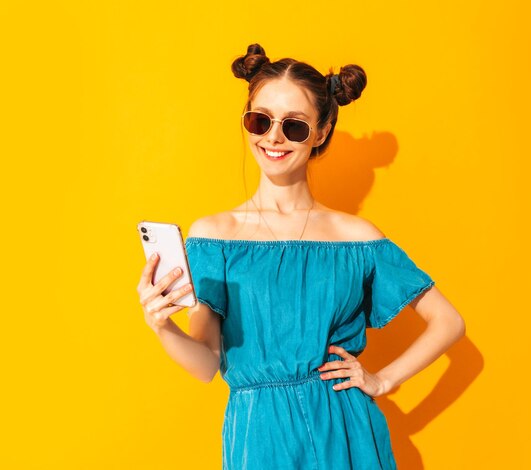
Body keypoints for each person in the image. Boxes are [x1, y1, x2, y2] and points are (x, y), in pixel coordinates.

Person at [136, 43, 466, 470]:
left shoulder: (357, 238)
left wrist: (383, 379)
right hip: (261, 437)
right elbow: (205, 365)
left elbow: (449, 322)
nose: (273, 137)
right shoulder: (214, 236)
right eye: (260, 120)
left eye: (293, 126)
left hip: (348, 430)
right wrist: (161, 325)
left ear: (322, 131)